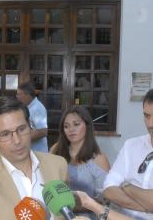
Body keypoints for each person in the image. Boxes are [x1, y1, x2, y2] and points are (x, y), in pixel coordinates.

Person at [0, 96, 68, 220]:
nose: (17, 140)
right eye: (5, 134)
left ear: (30, 126)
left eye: (21, 129)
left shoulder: (58, 165)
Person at [51, 105, 110, 219]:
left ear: (87, 126)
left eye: (76, 124)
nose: (71, 129)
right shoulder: (56, 150)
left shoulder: (99, 158)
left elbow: (105, 200)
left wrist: (71, 205)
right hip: (58, 215)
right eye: (66, 126)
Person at [103, 88, 153, 219]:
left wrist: (126, 186)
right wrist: (146, 208)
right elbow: (108, 188)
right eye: (147, 116)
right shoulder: (131, 145)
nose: (150, 124)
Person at [16, 82, 48, 152]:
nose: (17, 96)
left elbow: (43, 131)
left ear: (28, 95)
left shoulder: (37, 108)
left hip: (39, 153)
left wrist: (22, 139)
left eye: (19, 94)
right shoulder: (27, 106)